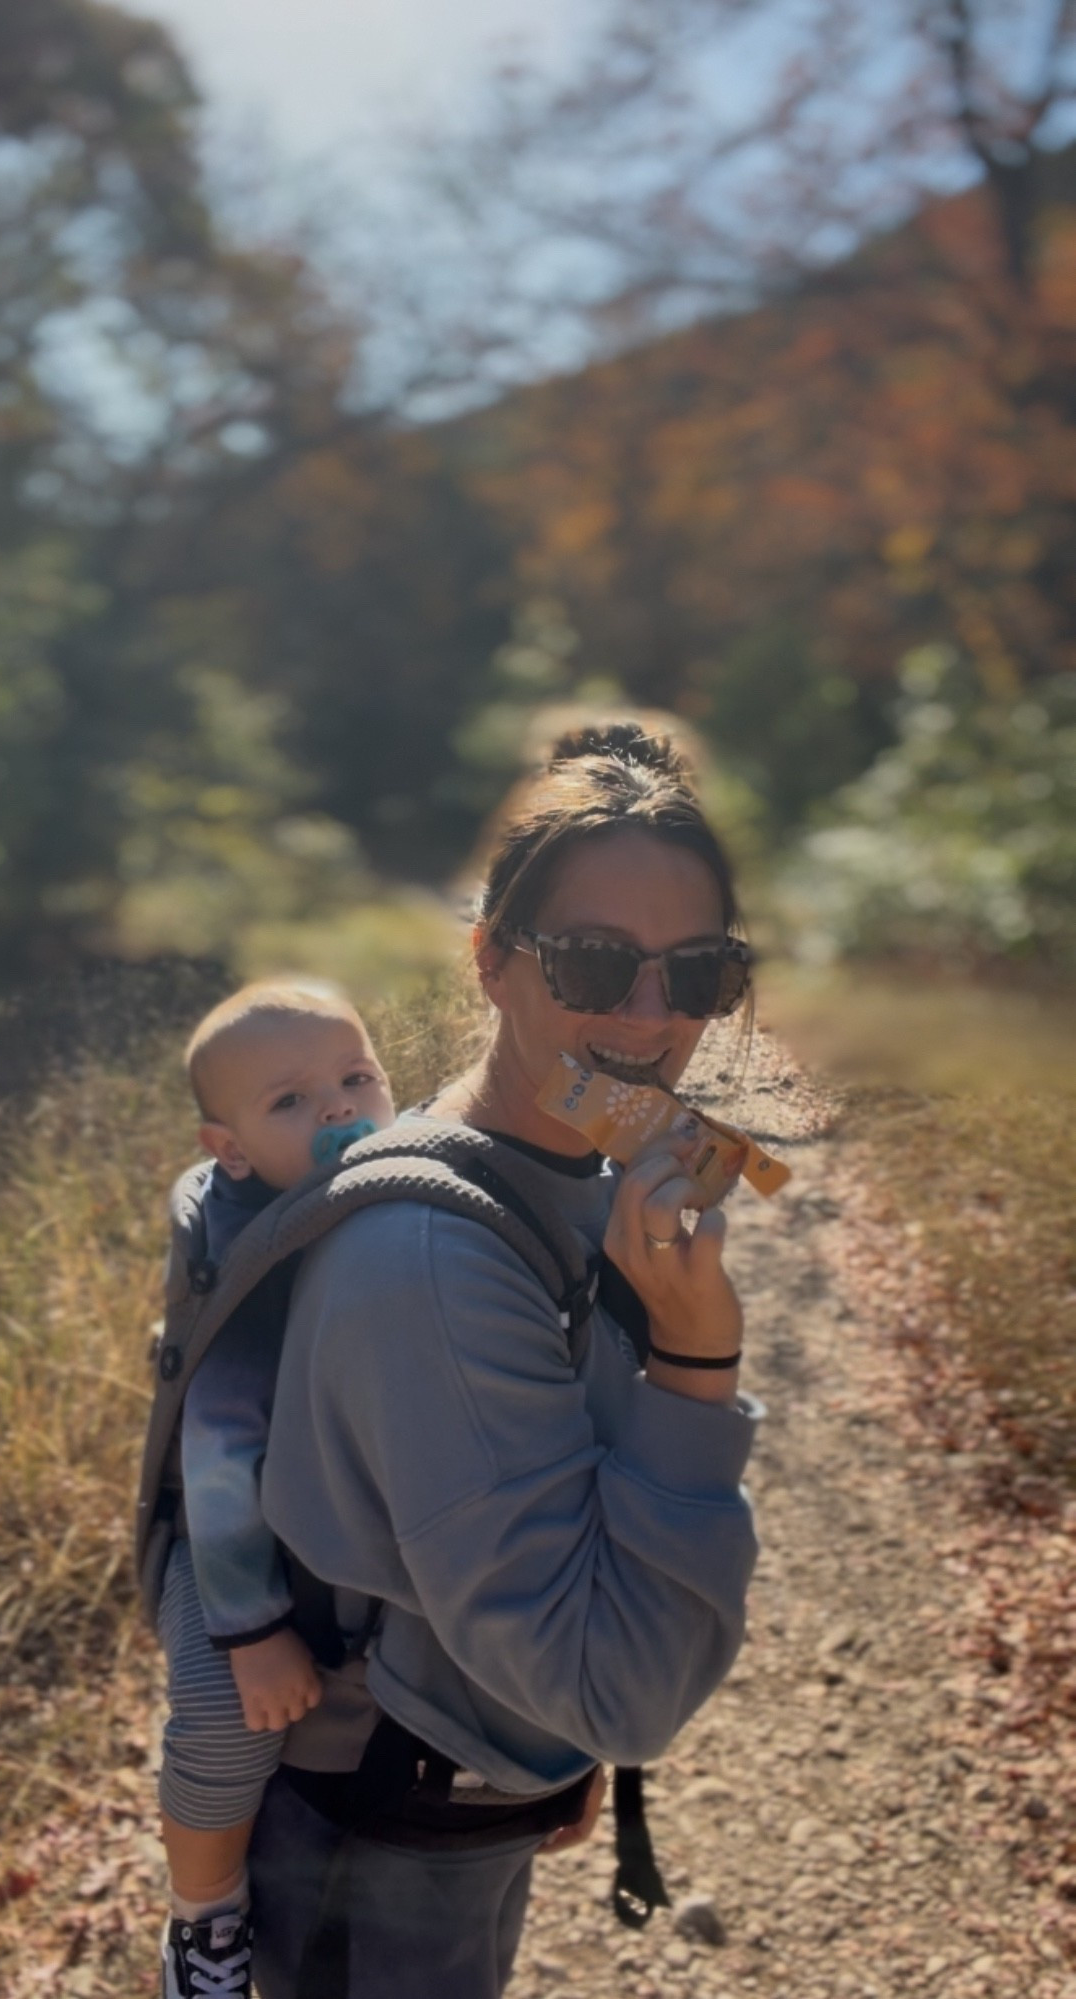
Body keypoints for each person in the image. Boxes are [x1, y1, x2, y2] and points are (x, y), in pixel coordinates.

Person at [247, 720, 763, 1999]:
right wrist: (699, 1359)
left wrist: (549, 1747)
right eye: (594, 961)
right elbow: (618, 1686)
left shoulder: (578, 1165)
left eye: (700, 971)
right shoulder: (428, 1260)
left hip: (474, 1758)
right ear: (491, 962)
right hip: (385, 1822)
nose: (651, 1015)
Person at [157, 980, 396, 1999]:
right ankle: (204, 1919)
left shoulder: (396, 1188)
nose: (340, 1106)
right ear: (232, 1150)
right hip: (228, 1547)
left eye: (357, 1076)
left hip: (332, 1524)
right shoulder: (258, 1252)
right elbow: (219, 1449)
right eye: (290, 1100)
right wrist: (251, 1628)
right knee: (223, 1716)